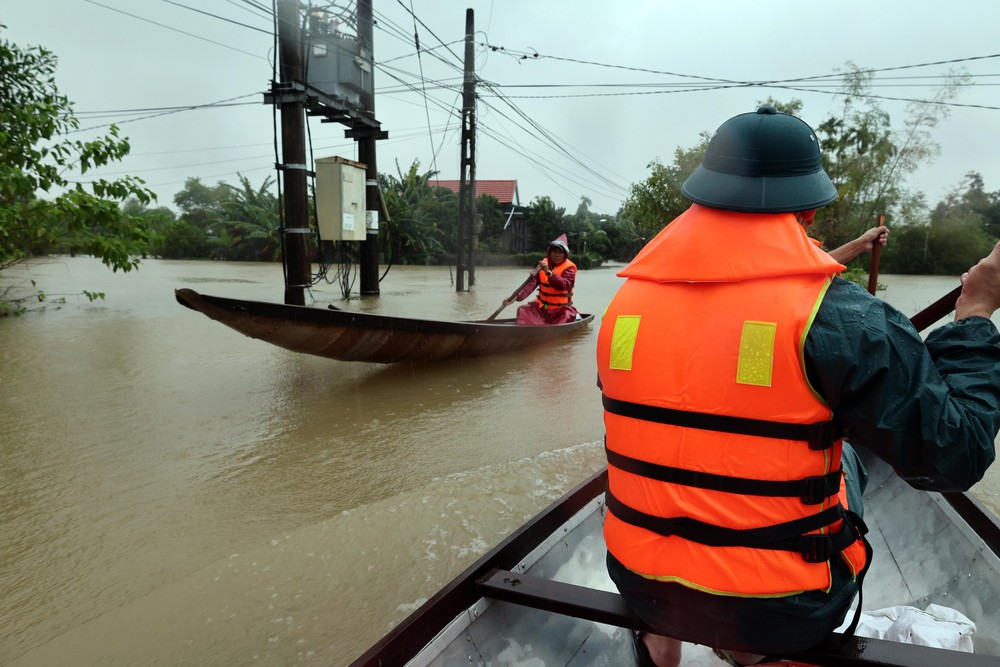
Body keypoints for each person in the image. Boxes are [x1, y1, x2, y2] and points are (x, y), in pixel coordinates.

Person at [595, 105, 1000, 667]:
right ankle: (753, 653)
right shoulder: (843, 316)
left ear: (701, 195)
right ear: (808, 209)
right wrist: (976, 314)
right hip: (778, 607)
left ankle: (661, 639)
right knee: (846, 457)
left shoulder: (624, 303)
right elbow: (957, 455)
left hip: (639, 579)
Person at [503, 234, 580, 325]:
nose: (557, 255)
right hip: (542, 308)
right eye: (554, 252)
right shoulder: (542, 265)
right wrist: (514, 297)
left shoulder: (569, 268)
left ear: (565, 254)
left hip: (561, 310)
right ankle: (526, 331)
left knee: (564, 319)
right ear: (549, 252)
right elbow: (529, 285)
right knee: (523, 310)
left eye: (560, 252)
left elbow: (564, 285)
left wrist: (549, 273)